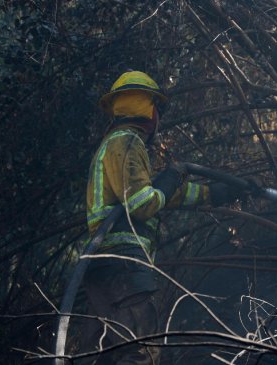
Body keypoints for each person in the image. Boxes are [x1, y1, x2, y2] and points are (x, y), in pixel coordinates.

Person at [81, 71, 241, 364]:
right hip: (125, 268)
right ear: (150, 110)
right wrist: (169, 178)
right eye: (158, 109)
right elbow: (143, 203)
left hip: (103, 269)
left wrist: (216, 194)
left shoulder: (112, 145)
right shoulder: (128, 142)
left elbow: (163, 196)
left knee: (103, 356)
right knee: (140, 354)